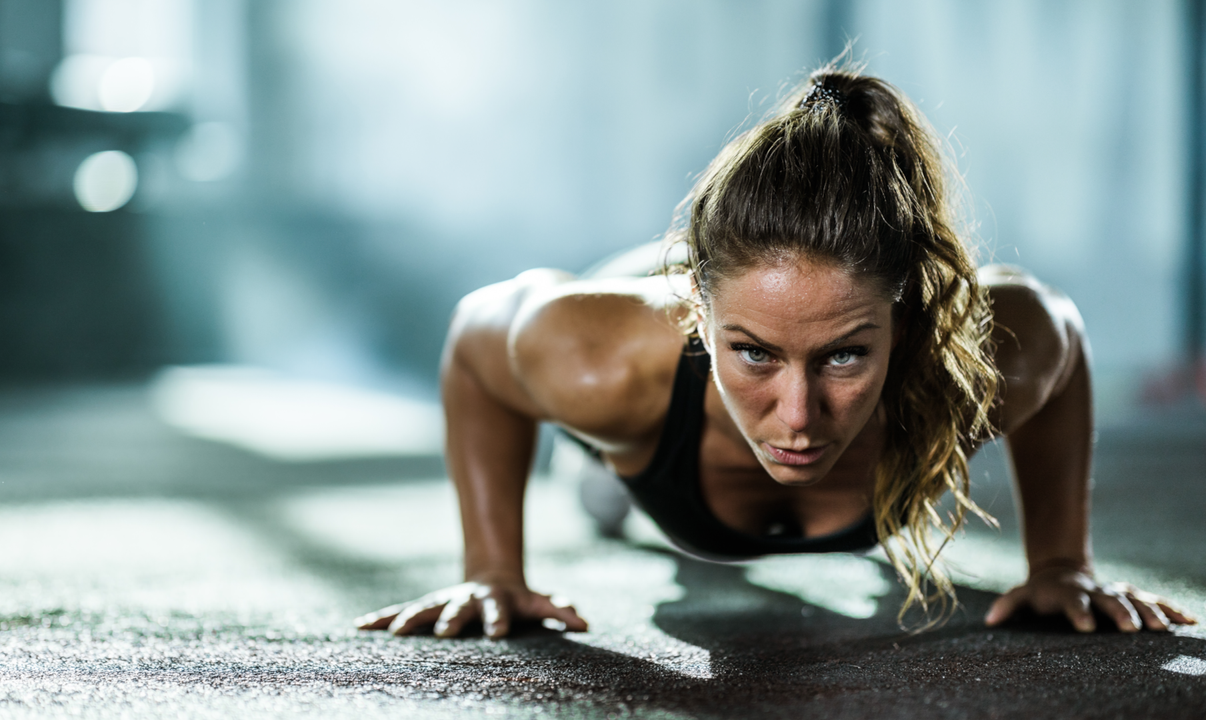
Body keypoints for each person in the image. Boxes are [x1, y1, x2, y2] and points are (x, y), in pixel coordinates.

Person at [356, 64, 1195, 639]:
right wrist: (490, 569)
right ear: (700, 316)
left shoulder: (983, 352)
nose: (799, 418)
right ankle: (612, 458)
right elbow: (476, 339)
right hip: (646, 397)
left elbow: (1064, 336)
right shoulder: (600, 362)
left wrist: (1062, 560)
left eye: (843, 358)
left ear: (904, 324)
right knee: (605, 470)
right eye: (756, 356)